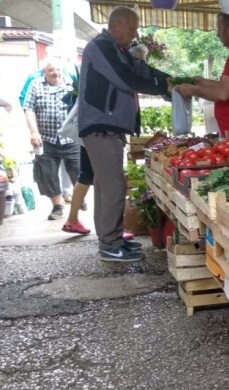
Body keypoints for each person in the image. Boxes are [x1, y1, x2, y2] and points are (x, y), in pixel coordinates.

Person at [78, 6, 172, 262]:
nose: (135, 34)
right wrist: (164, 87)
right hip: (100, 126)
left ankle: (112, 239)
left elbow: (141, 70)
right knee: (114, 186)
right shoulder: (100, 47)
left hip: (108, 128)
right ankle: (109, 245)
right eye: (132, 28)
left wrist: (171, 81)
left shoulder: (118, 51)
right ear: (117, 25)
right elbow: (126, 78)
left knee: (104, 186)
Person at [62, 43, 150, 237]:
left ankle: (107, 233)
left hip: (98, 132)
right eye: (141, 63)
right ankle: (107, 235)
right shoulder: (117, 79)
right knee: (102, 181)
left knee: (100, 180)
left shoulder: (123, 81)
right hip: (98, 133)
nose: (142, 68)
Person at [23, 60, 81, 221]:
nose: (55, 72)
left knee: (79, 171)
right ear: (44, 72)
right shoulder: (35, 85)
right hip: (46, 138)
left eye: (57, 69)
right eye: (51, 70)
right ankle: (57, 206)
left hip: (71, 138)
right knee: (47, 173)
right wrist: (34, 132)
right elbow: (29, 109)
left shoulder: (71, 84)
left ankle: (78, 198)